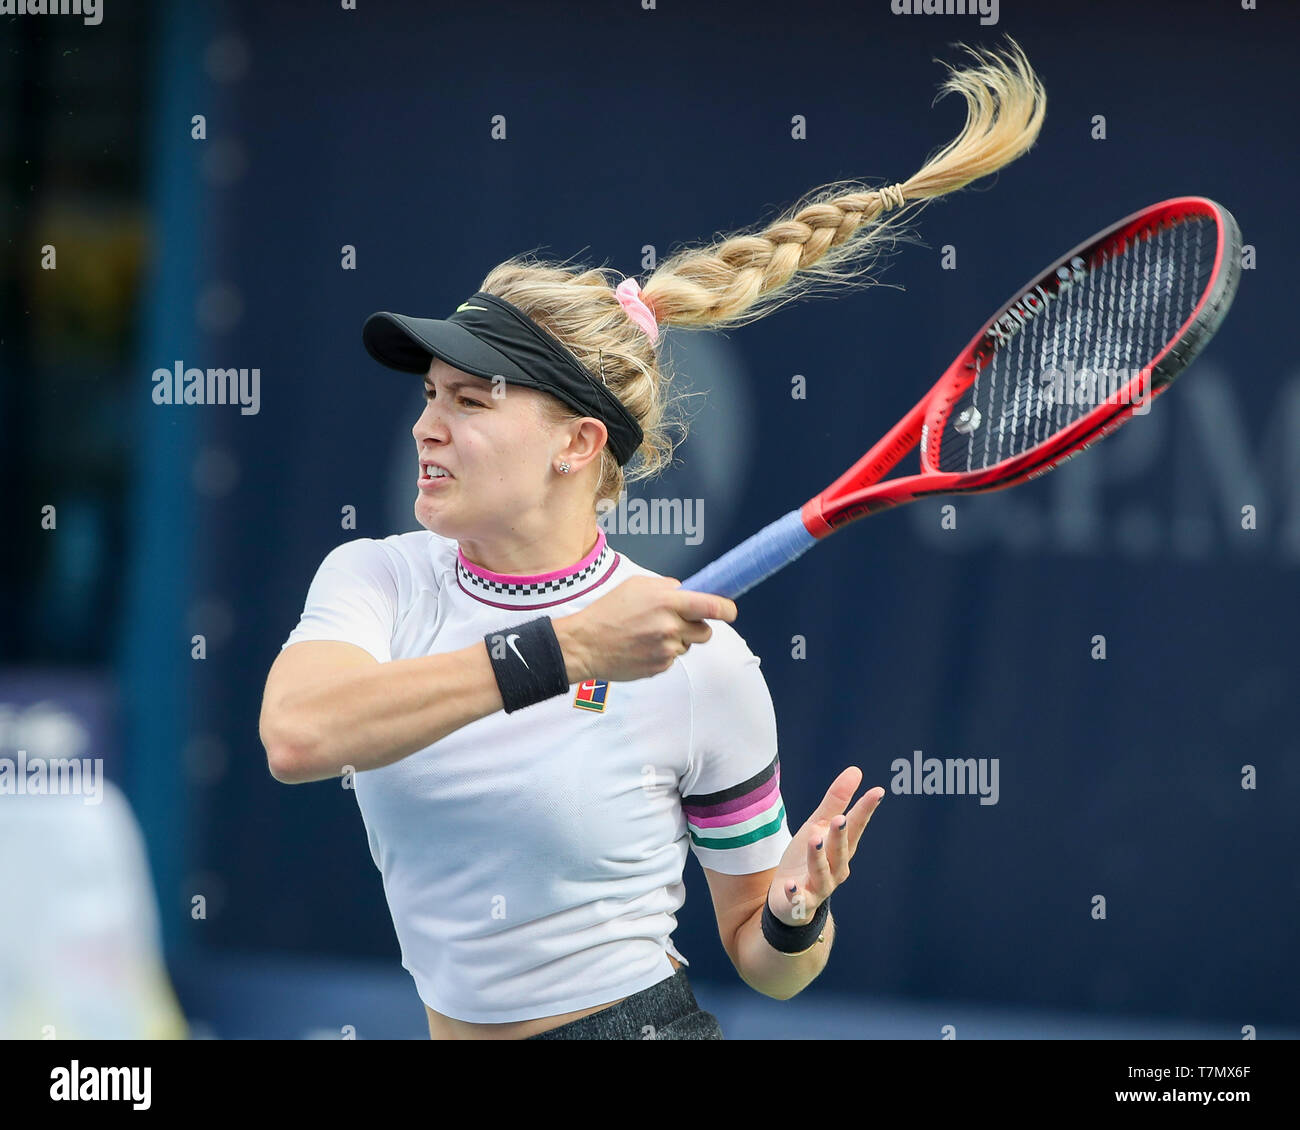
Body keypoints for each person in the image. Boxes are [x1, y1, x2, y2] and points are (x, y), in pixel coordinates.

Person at [259, 40, 1045, 1039]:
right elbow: (300, 735)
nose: (427, 425)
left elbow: (764, 954)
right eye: (427, 397)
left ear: (577, 442)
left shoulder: (701, 662)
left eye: (468, 398)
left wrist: (798, 916)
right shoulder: (374, 576)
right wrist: (567, 649)